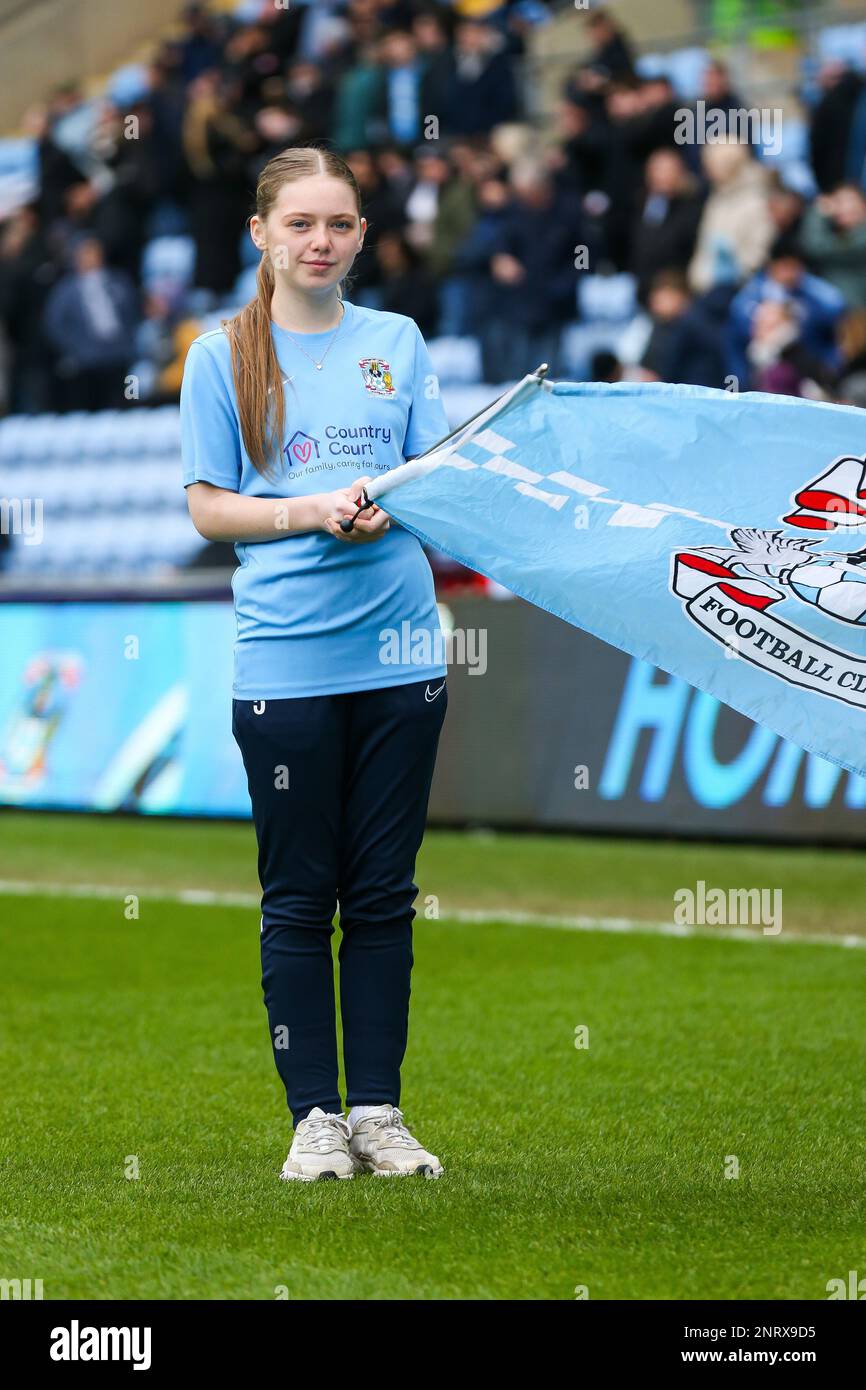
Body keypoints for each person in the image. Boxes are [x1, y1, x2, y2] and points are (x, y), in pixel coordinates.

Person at [180, 145, 449, 1181]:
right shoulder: (219, 354)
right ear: (262, 234)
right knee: (300, 898)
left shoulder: (398, 340)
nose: (320, 241)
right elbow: (207, 505)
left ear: (362, 237)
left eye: (338, 224)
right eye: (300, 224)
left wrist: (394, 499)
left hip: (402, 657)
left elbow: (430, 475)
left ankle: (378, 1114)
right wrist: (309, 509)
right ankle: (313, 1121)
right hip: (286, 664)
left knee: (383, 894)